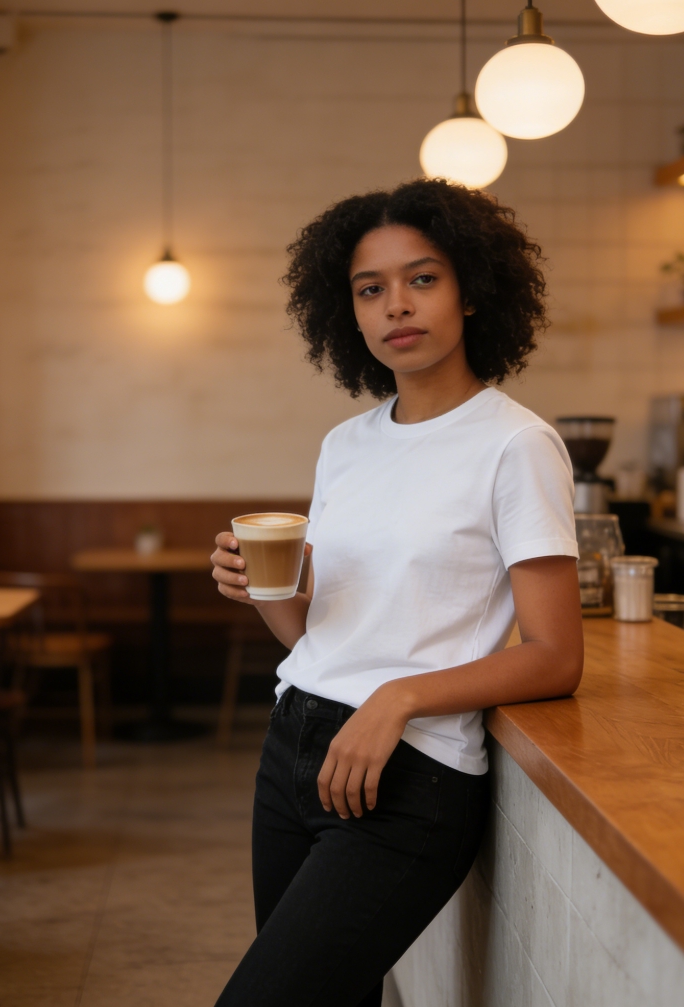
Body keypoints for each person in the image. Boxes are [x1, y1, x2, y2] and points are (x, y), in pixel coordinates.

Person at [210, 178, 583, 1007]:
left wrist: (398, 698)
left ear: (473, 290)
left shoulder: (516, 444)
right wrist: (262, 590)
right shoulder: (345, 444)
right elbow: (320, 636)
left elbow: (557, 656)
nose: (395, 307)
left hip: (408, 775)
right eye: (369, 289)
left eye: (423, 278)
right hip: (293, 748)